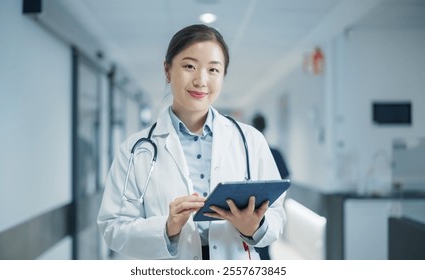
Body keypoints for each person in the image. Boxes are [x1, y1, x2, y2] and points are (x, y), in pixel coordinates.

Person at [97, 24, 286, 260]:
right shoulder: (135, 150)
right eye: (189, 66)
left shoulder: (250, 141)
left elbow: (277, 216)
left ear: (223, 75)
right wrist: (167, 227)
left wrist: (254, 227)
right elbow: (112, 228)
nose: (201, 80)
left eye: (213, 70)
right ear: (167, 70)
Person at [251, 113, 290, 260]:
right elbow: (284, 179)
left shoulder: (250, 153)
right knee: (264, 242)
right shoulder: (275, 152)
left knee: (255, 242)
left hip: (252, 203)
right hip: (270, 202)